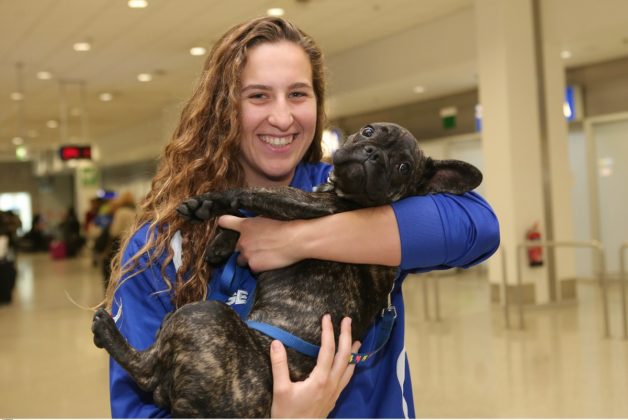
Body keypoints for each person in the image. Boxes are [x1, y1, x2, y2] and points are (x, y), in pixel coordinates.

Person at [104, 16, 499, 418]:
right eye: (258, 96)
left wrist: (295, 240)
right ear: (224, 107)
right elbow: (136, 410)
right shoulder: (163, 244)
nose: (282, 117)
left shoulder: (357, 194)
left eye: (297, 94)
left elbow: (478, 227)